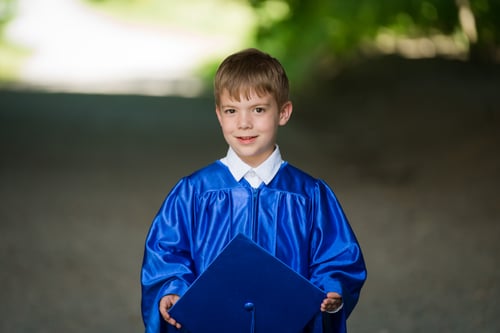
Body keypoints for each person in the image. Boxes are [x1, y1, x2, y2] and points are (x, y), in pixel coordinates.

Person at [141, 48, 367, 333]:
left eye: (258, 109)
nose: (244, 123)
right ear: (219, 116)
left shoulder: (308, 196)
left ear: (283, 113)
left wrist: (332, 290)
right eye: (231, 111)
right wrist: (173, 288)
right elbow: (167, 253)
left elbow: (337, 258)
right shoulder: (194, 192)